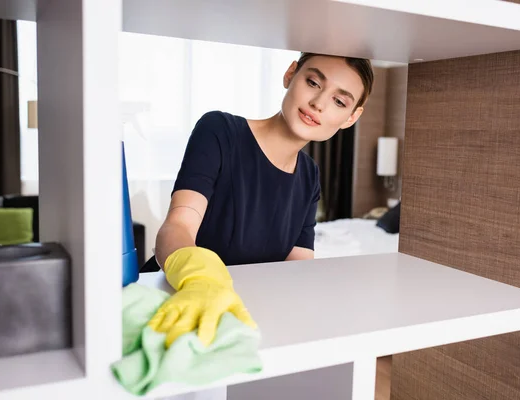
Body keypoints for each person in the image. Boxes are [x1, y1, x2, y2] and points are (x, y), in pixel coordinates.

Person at [147, 52, 374, 348]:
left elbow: (298, 269)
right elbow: (177, 226)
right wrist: (200, 280)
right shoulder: (220, 131)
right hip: (170, 303)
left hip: (239, 321)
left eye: (339, 102)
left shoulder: (309, 176)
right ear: (290, 74)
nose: (319, 104)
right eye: (314, 82)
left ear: (351, 117)